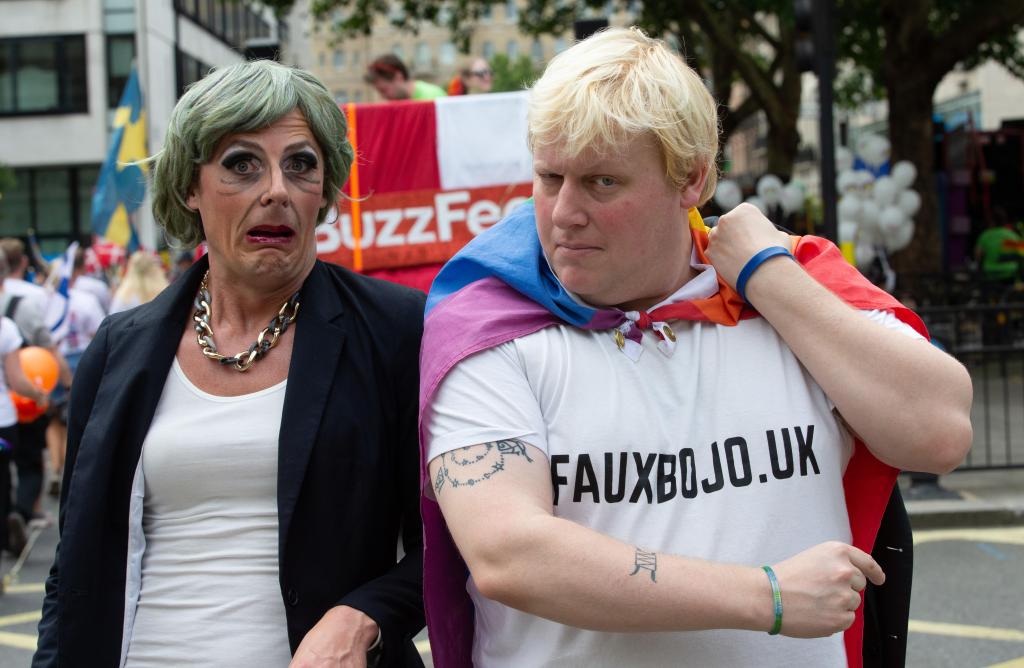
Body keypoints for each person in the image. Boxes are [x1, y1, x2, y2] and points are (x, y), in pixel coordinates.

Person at [419, 28, 973, 668]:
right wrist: (766, 596)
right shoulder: (488, 316)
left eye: (601, 182)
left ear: (692, 179)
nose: (564, 212)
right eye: (549, 177)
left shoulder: (787, 287)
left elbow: (940, 433)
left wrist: (766, 273)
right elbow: (511, 557)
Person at [34, 59, 425, 667]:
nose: (276, 189)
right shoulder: (119, 348)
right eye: (242, 163)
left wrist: (364, 617)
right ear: (190, 186)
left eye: (301, 164)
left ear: (323, 189)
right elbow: (76, 566)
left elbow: (454, 541)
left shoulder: (396, 328)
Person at [0, 239, 72, 555]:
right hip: (9, 416)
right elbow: (17, 377)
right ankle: (17, 514)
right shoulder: (10, 322)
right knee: (25, 468)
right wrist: (43, 393)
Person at [0, 251, 50, 561]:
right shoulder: (4, 327)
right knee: (3, 480)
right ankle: (8, 529)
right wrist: (39, 394)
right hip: (3, 423)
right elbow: (17, 380)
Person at [365, 54, 446, 101]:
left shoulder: (432, 97)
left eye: (383, 90)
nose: (382, 97)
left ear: (398, 77)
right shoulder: (398, 104)